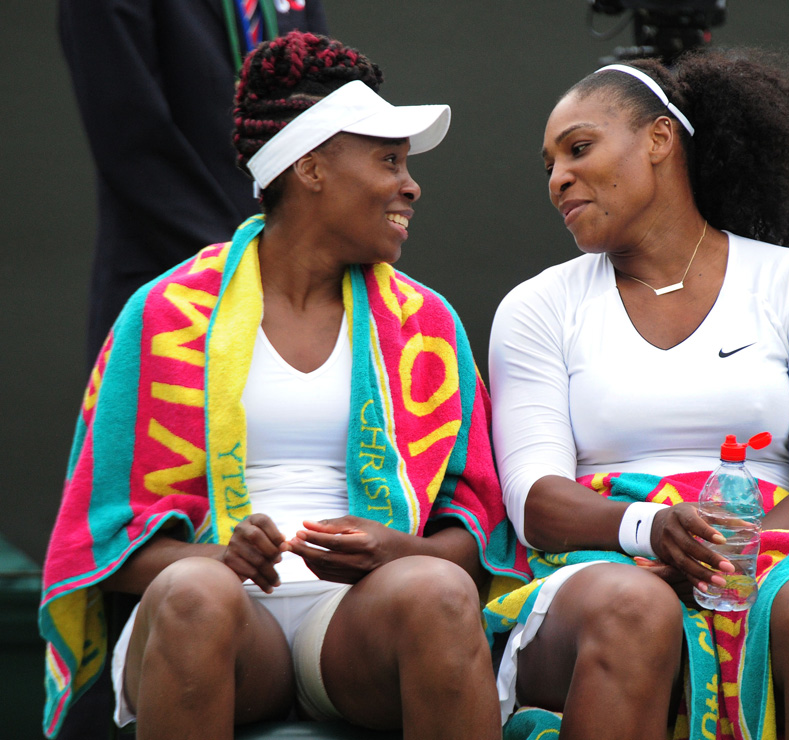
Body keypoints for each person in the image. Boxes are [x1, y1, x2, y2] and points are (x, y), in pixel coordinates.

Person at [39, 31, 529, 740]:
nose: (411, 184)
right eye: (389, 160)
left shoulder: (427, 324)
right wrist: (219, 557)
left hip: (357, 625)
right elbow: (101, 542)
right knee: (195, 594)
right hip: (222, 620)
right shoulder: (166, 313)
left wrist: (402, 552)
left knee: (440, 591)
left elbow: (480, 529)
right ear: (310, 167)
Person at [484, 51, 789, 740]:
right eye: (549, 167)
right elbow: (535, 500)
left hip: (771, 551)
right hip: (604, 561)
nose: (559, 177)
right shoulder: (538, 307)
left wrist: (731, 557)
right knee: (634, 607)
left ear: (658, 140)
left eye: (579, 148)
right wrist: (650, 530)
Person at [59, 0, 328, 366]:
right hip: (176, 289)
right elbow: (130, 137)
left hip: (297, 290)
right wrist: (244, 264)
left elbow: (320, 104)